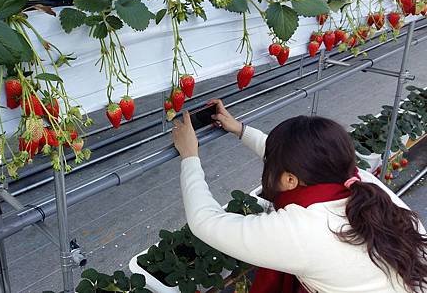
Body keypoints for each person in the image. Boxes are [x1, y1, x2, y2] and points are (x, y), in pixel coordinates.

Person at [171, 99, 427, 293]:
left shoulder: (301, 230)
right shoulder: (361, 183)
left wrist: (189, 156)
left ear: (290, 179)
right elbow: (295, 161)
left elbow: (204, 221)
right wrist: (240, 129)